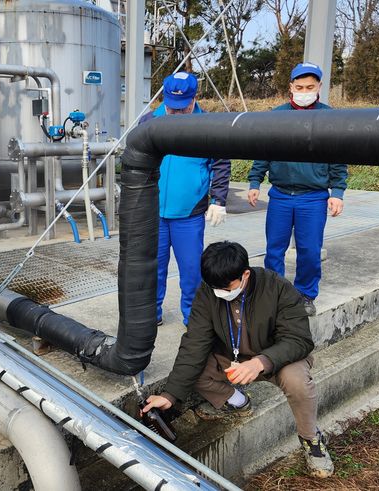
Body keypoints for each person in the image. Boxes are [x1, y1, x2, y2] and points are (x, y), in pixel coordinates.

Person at [142, 241, 334, 478]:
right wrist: (169, 395)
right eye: (215, 288)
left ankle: (311, 441)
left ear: (245, 274)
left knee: (298, 380)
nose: (220, 292)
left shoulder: (278, 288)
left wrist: (261, 362)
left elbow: (299, 340)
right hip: (231, 357)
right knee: (196, 370)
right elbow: (194, 344)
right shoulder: (208, 291)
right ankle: (238, 402)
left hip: (274, 357)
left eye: (226, 287)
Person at [247, 62, 348, 316]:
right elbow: (263, 151)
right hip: (280, 195)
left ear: (319, 87)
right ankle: (273, 294)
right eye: (300, 86)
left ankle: (305, 294)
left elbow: (338, 158)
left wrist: (337, 192)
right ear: (291, 86)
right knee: (274, 250)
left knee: (310, 251)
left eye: (310, 87)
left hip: (312, 197)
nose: (305, 91)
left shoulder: (330, 117)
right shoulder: (276, 116)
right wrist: (254, 182)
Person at [140, 72, 231, 326]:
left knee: (191, 272)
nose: (177, 113)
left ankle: (193, 317)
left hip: (189, 215)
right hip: (154, 213)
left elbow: (221, 163)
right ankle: (152, 314)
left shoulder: (207, 126)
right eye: (172, 107)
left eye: (183, 108)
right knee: (153, 269)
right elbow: (135, 163)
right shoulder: (148, 122)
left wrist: (218, 199)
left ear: (194, 98)